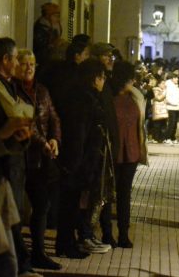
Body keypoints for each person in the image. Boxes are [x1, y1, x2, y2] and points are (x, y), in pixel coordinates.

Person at [0, 37, 38, 276]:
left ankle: (19, 265)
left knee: (11, 214)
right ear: (5, 59)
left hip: (7, 154)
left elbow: (24, 111)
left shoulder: (6, 82)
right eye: (15, 59)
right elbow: (17, 111)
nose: (18, 64)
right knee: (7, 215)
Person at [56, 59, 112, 257]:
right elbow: (78, 134)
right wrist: (76, 163)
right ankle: (66, 244)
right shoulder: (83, 99)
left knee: (71, 204)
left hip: (81, 160)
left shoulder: (82, 96)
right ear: (95, 78)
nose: (103, 81)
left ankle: (67, 243)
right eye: (102, 77)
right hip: (78, 161)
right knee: (70, 204)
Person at [15, 49, 62, 270]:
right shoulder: (13, 89)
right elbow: (26, 123)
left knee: (42, 204)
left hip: (40, 160)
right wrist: (43, 142)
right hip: (21, 155)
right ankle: (15, 255)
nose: (29, 67)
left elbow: (53, 116)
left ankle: (38, 252)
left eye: (32, 63)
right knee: (13, 208)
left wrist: (54, 139)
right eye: (24, 63)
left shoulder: (41, 90)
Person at [110, 61, 148, 247]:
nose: (133, 81)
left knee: (124, 194)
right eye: (130, 78)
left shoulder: (136, 97)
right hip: (113, 153)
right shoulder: (109, 97)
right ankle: (106, 232)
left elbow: (140, 125)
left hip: (131, 152)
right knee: (108, 194)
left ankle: (123, 233)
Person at [90, 42, 120, 247]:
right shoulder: (94, 85)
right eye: (106, 56)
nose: (110, 59)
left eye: (112, 56)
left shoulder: (107, 83)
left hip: (107, 144)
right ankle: (90, 233)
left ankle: (106, 232)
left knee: (106, 192)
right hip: (97, 146)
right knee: (96, 192)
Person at [33, 3, 62, 67]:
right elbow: (40, 44)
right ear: (48, 16)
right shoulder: (41, 27)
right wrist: (53, 44)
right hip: (43, 61)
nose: (57, 19)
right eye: (55, 16)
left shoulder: (55, 26)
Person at [165, 73, 179, 144]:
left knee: (175, 123)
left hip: (177, 107)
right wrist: (175, 103)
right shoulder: (169, 86)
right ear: (172, 79)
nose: (177, 79)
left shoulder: (176, 86)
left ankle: (173, 137)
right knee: (171, 123)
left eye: (177, 78)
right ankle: (167, 137)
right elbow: (168, 97)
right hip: (171, 107)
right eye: (175, 78)